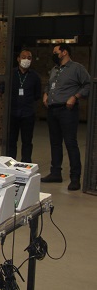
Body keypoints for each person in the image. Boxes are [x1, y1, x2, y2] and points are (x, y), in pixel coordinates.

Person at [41, 43, 90, 191]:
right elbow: (50, 85)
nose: (54, 55)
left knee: (70, 143)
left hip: (67, 110)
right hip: (53, 110)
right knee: (55, 143)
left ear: (64, 52)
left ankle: (75, 178)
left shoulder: (77, 68)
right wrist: (46, 93)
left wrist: (75, 96)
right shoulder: (55, 69)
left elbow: (88, 85)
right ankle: (56, 173)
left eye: (56, 52)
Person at [5, 50, 41, 162]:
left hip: (28, 114)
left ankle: (26, 163)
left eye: (29, 57)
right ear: (18, 58)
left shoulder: (35, 76)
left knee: (27, 141)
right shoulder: (11, 74)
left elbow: (37, 95)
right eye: (24, 57)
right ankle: (10, 163)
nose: (26, 60)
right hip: (13, 113)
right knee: (11, 140)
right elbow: (3, 89)